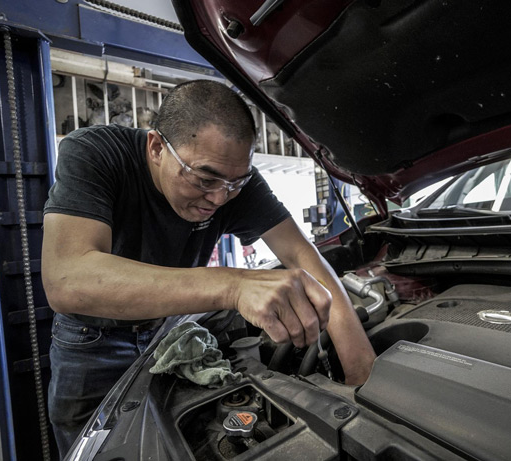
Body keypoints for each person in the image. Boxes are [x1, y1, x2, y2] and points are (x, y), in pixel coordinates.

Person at [41, 80, 376, 458]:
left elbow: (302, 255)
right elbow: (67, 279)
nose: (219, 197)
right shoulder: (96, 153)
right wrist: (233, 286)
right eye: (204, 179)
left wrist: (361, 369)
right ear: (156, 147)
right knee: (93, 448)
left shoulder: (233, 182)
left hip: (170, 331)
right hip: (92, 340)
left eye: (236, 182)